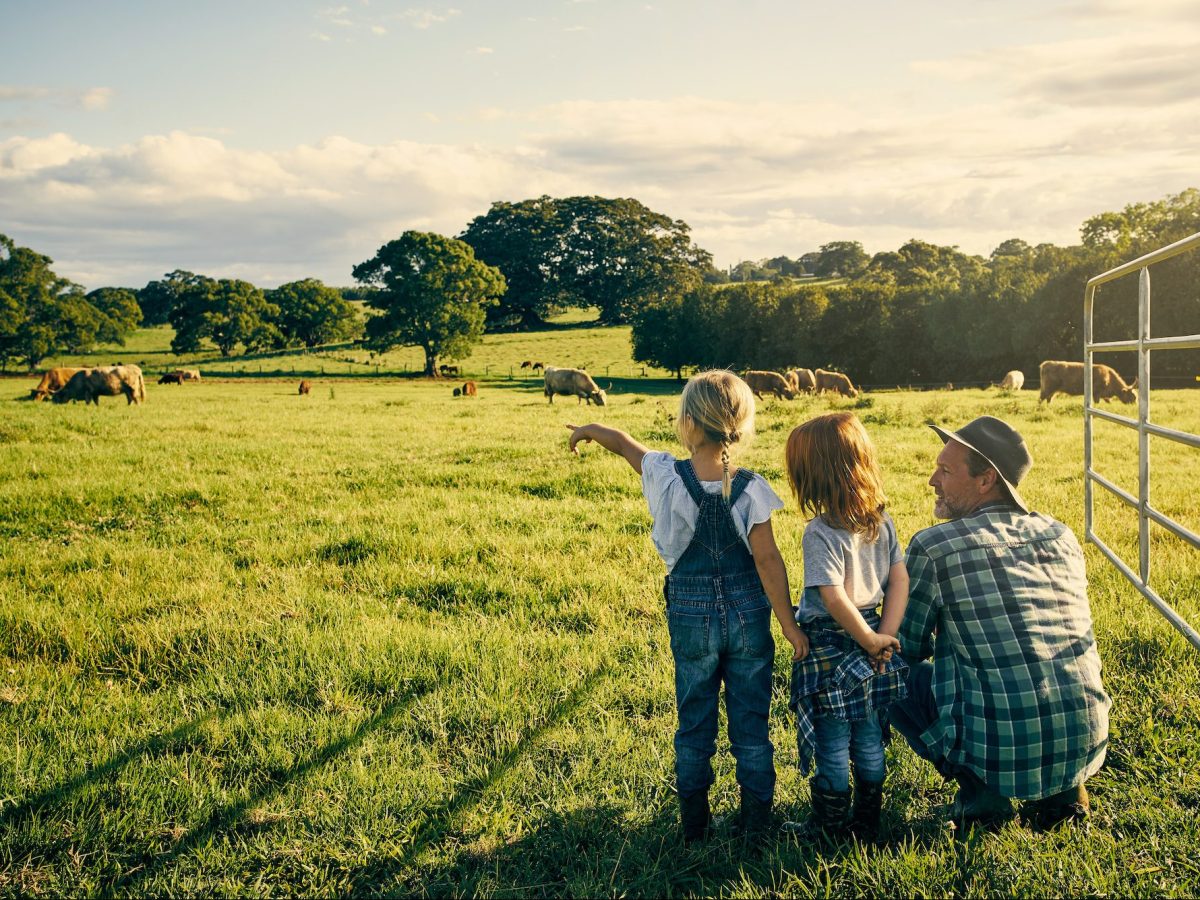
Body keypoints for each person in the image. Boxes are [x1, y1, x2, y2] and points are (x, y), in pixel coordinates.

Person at [565, 369, 809, 844]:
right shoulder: (752, 487)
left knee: (694, 719)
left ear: (688, 423)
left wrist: (589, 430)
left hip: (691, 616)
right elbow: (767, 559)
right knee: (752, 724)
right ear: (740, 424)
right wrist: (790, 625)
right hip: (748, 616)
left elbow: (623, 444)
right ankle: (757, 823)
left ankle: (695, 826)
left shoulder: (664, 473)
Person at [890, 415, 1111, 829]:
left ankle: (982, 793)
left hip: (1003, 750)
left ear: (986, 479)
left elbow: (907, 645)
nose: (932, 480)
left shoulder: (935, 545)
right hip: (1086, 741)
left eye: (946, 470)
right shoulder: (1060, 535)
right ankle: (1065, 794)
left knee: (884, 666)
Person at [783, 413, 909, 840]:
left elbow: (833, 598)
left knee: (833, 741)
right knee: (870, 734)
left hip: (834, 647)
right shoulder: (882, 521)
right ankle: (868, 819)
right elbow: (899, 580)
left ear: (814, 476)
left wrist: (871, 639)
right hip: (874, 639)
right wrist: (882, 637)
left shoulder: (820, 532)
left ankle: (829, 824)